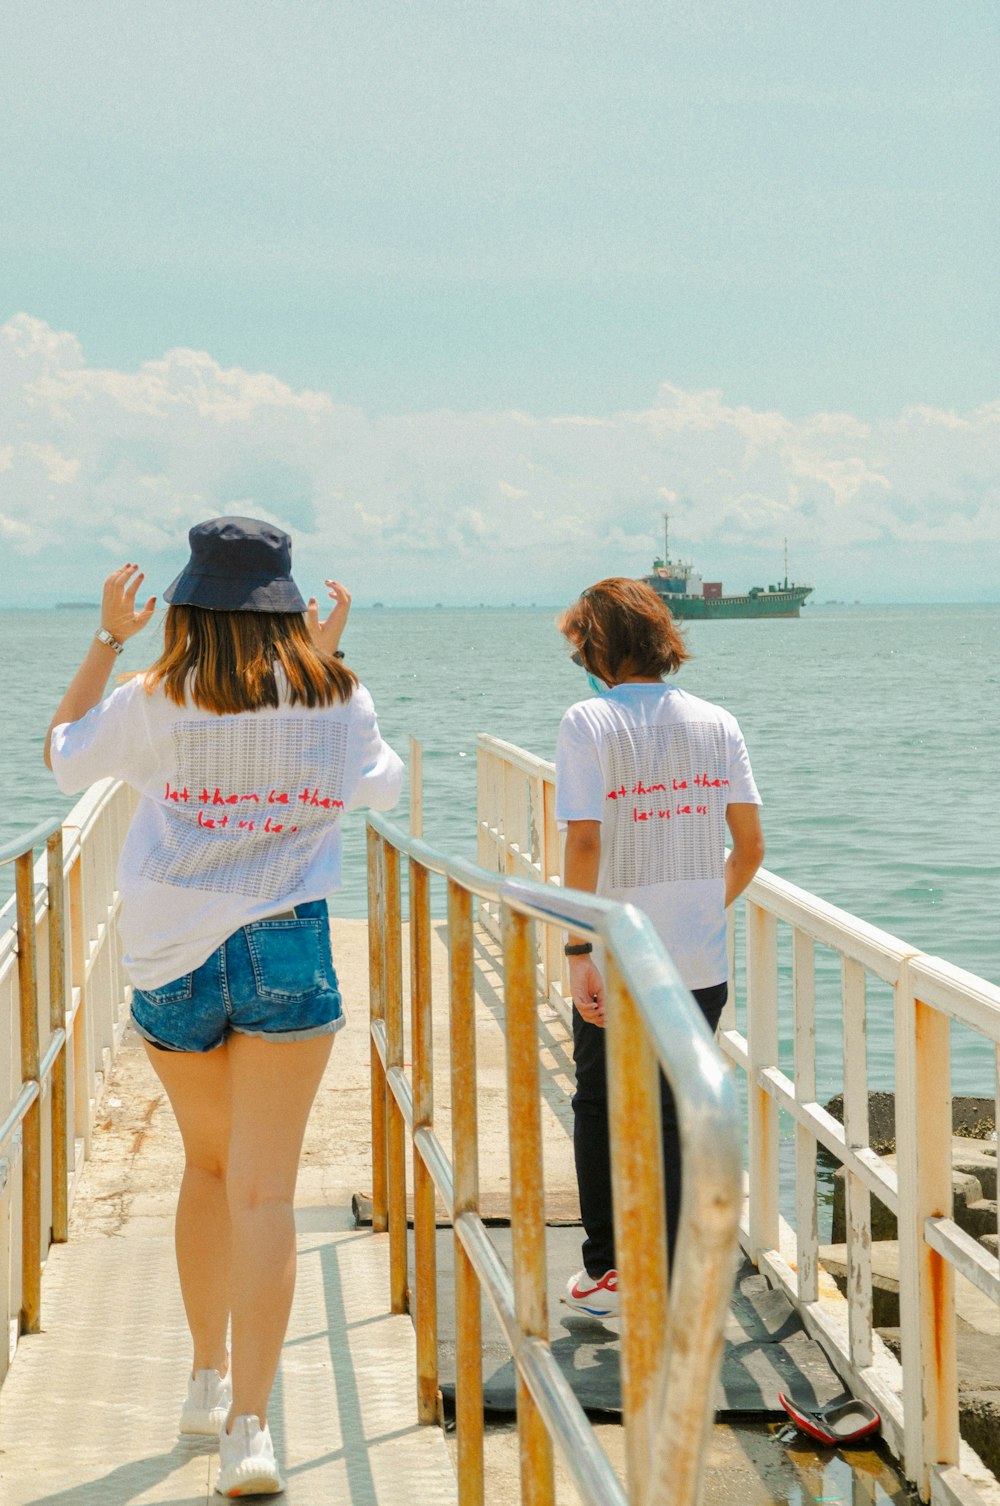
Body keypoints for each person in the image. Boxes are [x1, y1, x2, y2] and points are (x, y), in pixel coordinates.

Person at [44, 517, 403, 1497]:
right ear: (290, 608)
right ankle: (251, 1429)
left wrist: (109, 638)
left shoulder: (155, 693)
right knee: (263, 1194)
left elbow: (65, 758)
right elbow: (384, 784)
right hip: (285, 941)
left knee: (205, 1168)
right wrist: (322, 675)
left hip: (170, 950)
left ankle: (204, 1381)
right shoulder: (333, 694)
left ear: (188, 603)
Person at [555, 577, 764, 1319]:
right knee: (681, 1110)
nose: (575, 653)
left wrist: (578, 946)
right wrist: (702, 906)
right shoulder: (718, 722)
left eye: (579, 639)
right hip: (699, 959)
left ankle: (610, 1271)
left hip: (618, 955)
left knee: (603, 1104)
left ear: (599, 642)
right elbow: (750, 846)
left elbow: (585, 839)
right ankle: (679, 1271)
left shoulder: (588, 721)